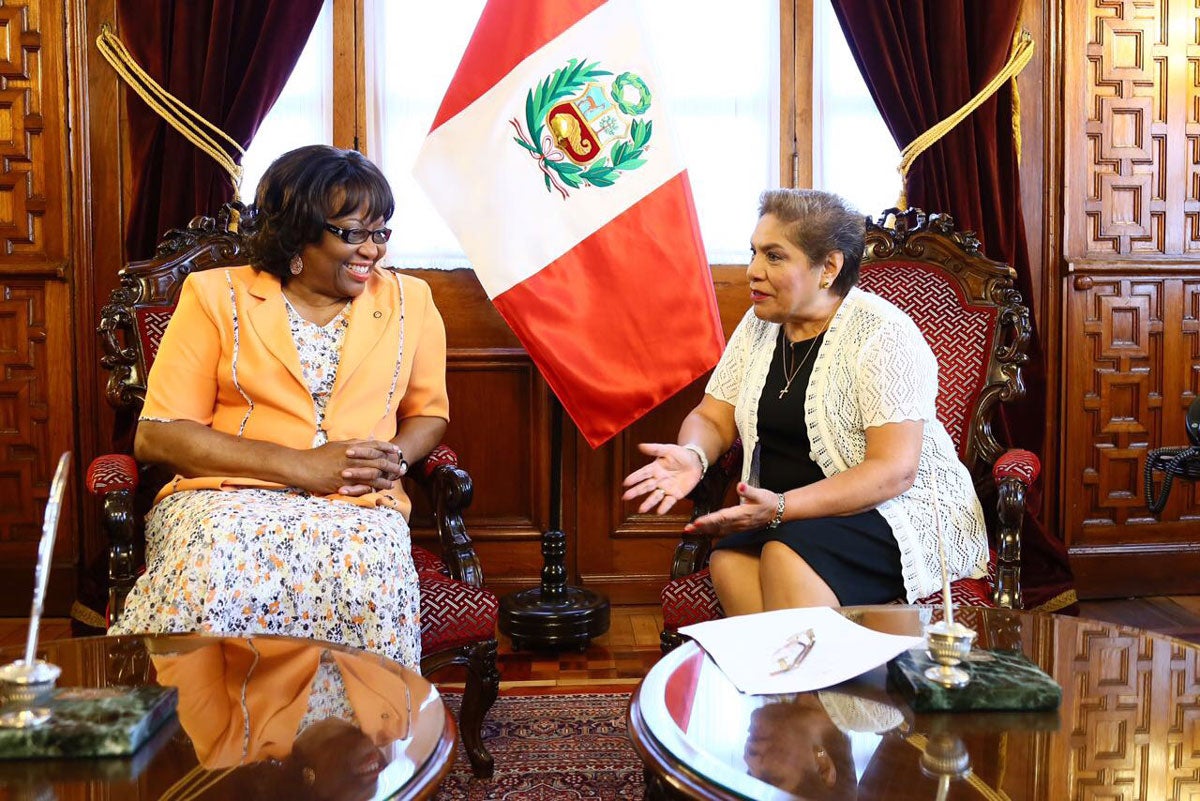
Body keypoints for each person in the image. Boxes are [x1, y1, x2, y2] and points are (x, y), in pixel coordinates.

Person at [109, 144, 449, 669]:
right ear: (297, 235)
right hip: (223, 498)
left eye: (381, 231)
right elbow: (158, 434)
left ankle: (359, 744)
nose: (373, 251)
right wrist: (301, 467)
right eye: (353, 233)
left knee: (367, 567)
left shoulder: (411, 302)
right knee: (213, 563)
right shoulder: (214, 295)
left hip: (358, 504)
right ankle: (207, 740)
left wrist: (394, 460)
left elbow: (430, 413)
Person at [622, 188, 987, 612]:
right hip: (791, 517)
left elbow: (894, 472)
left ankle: (830, 677)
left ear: (828, 267)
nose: (753, 271)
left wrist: (781, 508)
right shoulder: (758, 324)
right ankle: (795, 678)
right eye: (754, 252)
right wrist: (694, 454)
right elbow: (713, 415)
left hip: (898, 510)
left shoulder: (883, 334)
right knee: (730, 561)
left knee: (784, 557)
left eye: (774, 257)